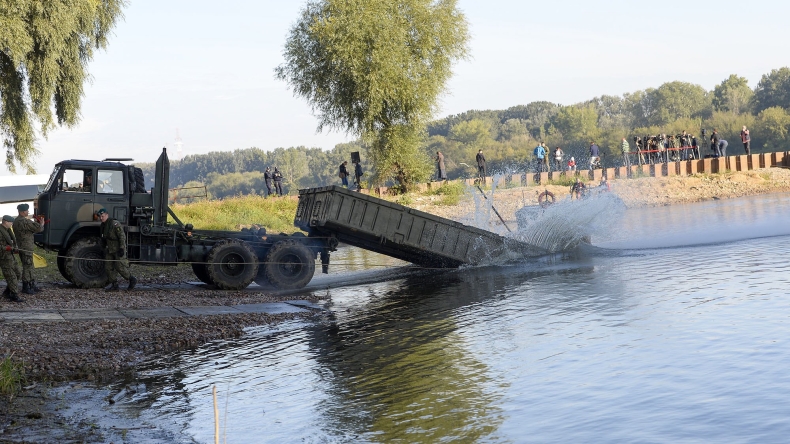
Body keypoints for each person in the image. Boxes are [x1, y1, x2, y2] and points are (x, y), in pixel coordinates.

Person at [97, 208, 136, 292]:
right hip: (109, 249)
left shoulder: (114, 224)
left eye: (102, 216)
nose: (101, 218)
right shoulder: (103, 225)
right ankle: (114, 285)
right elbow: (103, 238)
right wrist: (102, 247)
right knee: (108, 267)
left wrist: (122, 248)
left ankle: (131, 279)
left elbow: (122, 236)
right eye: (100, 216)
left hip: (118, 248)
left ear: (107, 215)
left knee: (119, 267)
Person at [12, 203, 44, 295]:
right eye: (26, 210)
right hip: (26, 247)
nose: (28, 212)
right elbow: (39, 229)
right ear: (22, 212)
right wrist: (41, 223)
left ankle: (31, 285)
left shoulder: (16, 221)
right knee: (27, 266)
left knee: (29, 265)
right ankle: (26, 287)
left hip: (21, 246)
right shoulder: (25, 221)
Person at [0, 215, 23, 302]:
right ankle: (14, 295)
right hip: (3, 258)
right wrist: (5, 248)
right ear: (5, 222)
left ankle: (8, 291)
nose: (12, 224)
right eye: (11, 222)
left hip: (10, 256)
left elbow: (11, 242)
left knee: (18, 273)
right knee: (11, 276)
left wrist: (14, 248)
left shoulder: (7, 230)